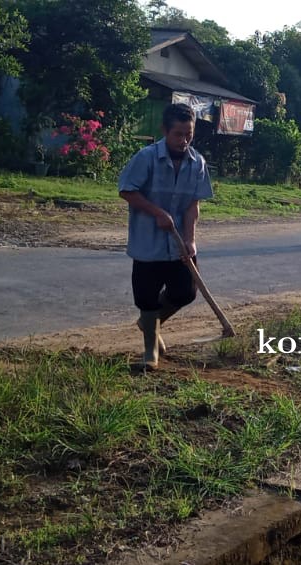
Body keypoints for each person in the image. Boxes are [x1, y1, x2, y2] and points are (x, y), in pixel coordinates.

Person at [117, 103, 214, 369]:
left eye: (189, 135)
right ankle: (150, 354)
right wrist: (156, 212)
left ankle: (150, 324)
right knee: (147, 297)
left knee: (185, 292)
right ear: (165, 131)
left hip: (179, 243)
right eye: (178, 135)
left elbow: (194, 204)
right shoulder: (146, 157)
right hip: (148, 242)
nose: (184, 141)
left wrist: (190, 240)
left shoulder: (198, 163)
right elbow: (127, 190)